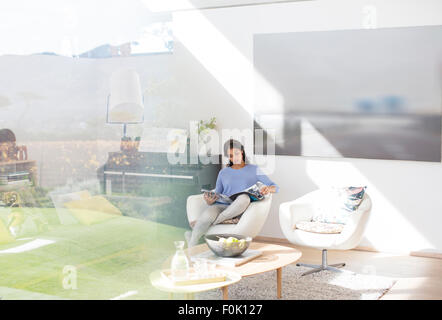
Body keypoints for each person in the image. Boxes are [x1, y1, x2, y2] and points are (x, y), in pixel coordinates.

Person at [185, 139, 279, 247]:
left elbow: (275, 187)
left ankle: (210, 223)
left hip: (240, 208)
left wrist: (268, 189)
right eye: (230, 155)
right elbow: (218, 193)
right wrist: (210, 201)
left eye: (236, 153)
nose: (234, 158)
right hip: (222, 206)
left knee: (244, 198)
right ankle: (192, 242)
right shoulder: (223, 172)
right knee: (207, 215)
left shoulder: (254, 169)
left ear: (242, 152)